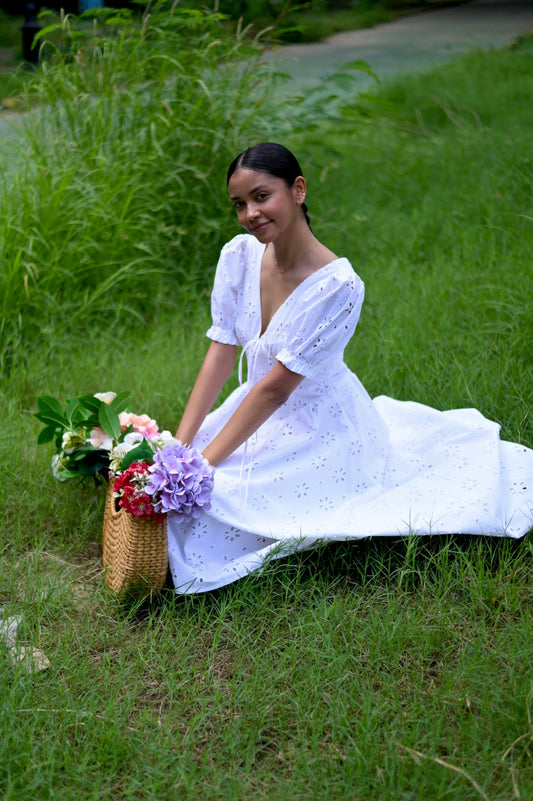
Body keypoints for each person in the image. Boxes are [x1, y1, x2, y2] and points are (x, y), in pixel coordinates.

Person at [167, 142, 533, 594]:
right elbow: (222, 348)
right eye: (239, 204)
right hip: (254, 411)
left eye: (262, 197)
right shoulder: (239, 256)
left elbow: (274, 390)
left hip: (317, 429)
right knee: (180, 476)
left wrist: (200, 466)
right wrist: (180, 451)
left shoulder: (338, 286)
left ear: (298, 190)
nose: (250, 214)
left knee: (214, 497)